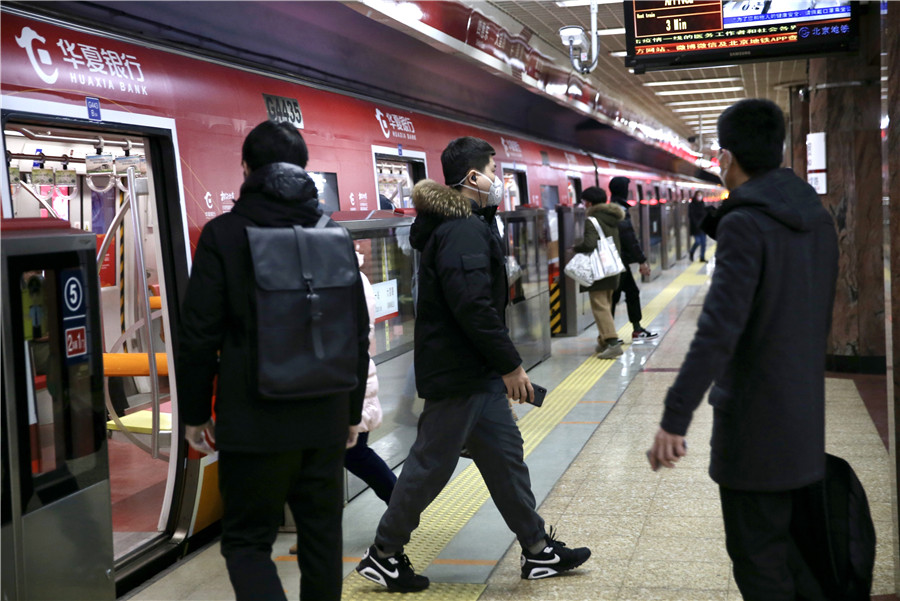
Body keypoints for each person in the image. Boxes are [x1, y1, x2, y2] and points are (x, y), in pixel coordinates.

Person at [355, 137, 590, 592]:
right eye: (493, 168)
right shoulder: (460, 229)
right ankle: (383, 554)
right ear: (472, 177)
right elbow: (473, 307)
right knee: (429, 468)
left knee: (505, 459)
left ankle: (538, 549)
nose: (498, 178)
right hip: (461, 375)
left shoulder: (469, 223)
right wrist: (510, 366)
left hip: (473, 375)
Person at [646, 99, 839, 600]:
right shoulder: (818, 218)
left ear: (724, 156)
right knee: (795, 556)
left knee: (759, 563)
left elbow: (718, 330)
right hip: (804, 417)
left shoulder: (744, 223)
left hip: (755, 430)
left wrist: (674, 417)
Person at [177, 120, 369, 601]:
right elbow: (356, 333)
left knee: (246, 541)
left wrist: (196, 414)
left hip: (254, 418)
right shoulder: (335, 235)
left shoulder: (223, 234)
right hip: (325, 413)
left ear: (246, 169)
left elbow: (198, 334)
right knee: (323, 539)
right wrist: (350, 414)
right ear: (304, 170)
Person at [289, 250, 398, 555]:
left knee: (354, 453)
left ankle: (402, 506)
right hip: (323, 380)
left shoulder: (346, 280)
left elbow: (346, 335)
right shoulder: (323, 279)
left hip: (344, 379)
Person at [573, 187, 626, 359]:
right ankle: (603, 341)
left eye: (584, 201)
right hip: (612, 268)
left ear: (589, 202)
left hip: (599, 270)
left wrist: (575, 247)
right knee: (607, 304)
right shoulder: (612, 218)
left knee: (600, 306)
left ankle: (612, 342)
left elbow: (589, 244)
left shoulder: (592, 220)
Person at [607, 177, 658, 342]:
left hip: (616, 260)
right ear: (622, 190)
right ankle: (609, 335)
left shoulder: (613, 206)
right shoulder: (619, 209)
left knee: (628, 292)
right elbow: (628, 237)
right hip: (618, 261)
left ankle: (633, 329)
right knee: (616, 296)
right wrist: (642, 260)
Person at [689, 190, 708, 262]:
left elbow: (705, 214)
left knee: (703, 243)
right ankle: (692, 251)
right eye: (698, 195)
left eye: (701, 195)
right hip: (695, 227)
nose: (699, 197)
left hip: (702, 227)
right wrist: (696, 224)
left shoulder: (702, 204)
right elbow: (691, 216)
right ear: (695, 196)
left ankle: (702, 257)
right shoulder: (692, 205)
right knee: (697, 241)